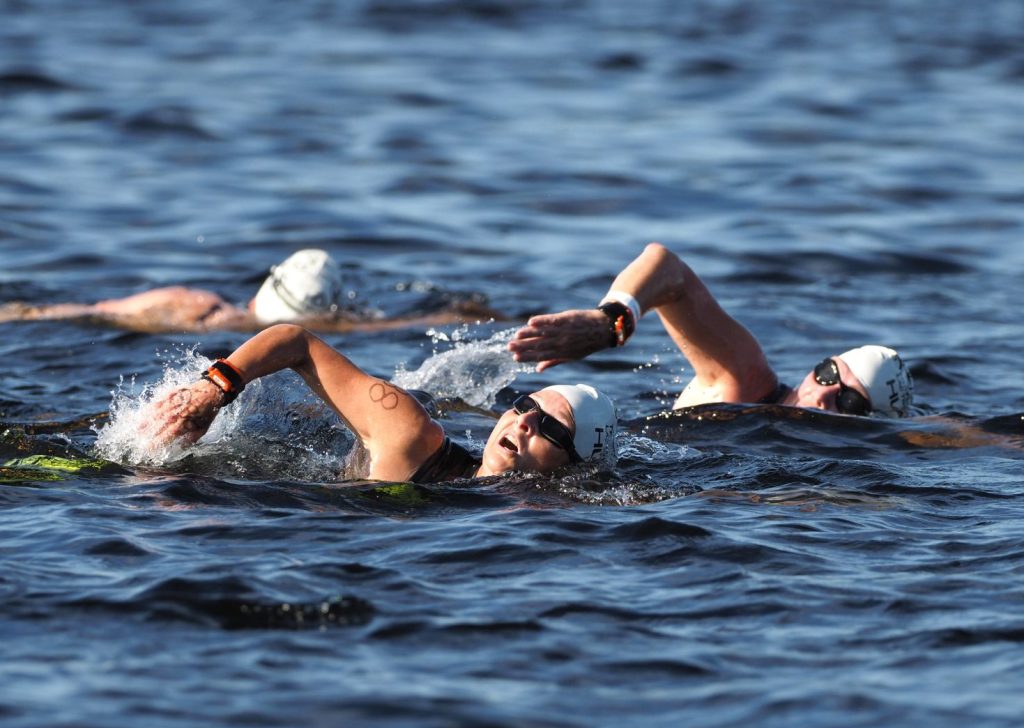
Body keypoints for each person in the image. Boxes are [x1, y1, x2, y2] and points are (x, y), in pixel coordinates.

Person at [144, 323, 618, 483]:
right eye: (521, 405)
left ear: (575, 468)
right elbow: (297, 341)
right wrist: (216, 387)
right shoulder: (411, 437)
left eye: (552, 428)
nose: (525, 422)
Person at [508, 242, 914, 418]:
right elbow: (667, 268)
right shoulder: (745, 379)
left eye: (850, 403)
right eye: (829, 374)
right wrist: (613, 321)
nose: (825, 393)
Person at [1, 249, 497, 334]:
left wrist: (17, 313)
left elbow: (83, 310)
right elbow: (397, 324)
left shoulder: (195, 305)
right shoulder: (328, 327)